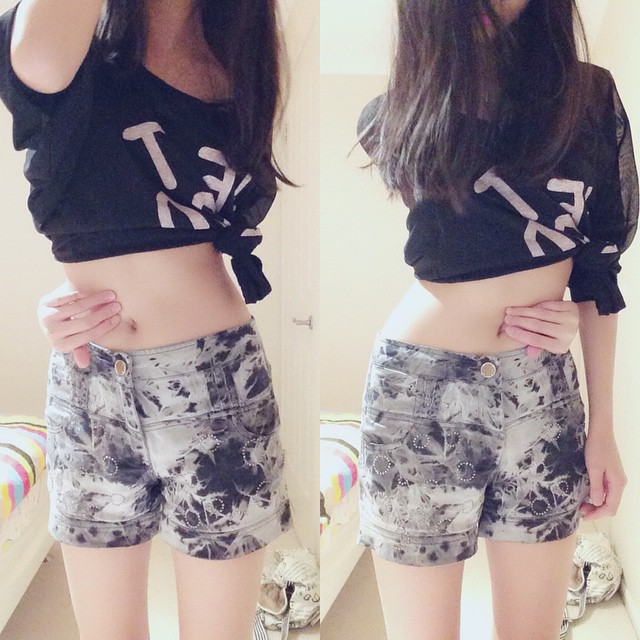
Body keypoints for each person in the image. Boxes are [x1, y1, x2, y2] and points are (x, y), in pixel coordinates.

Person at [0, 1, 292, 639]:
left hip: (218, 382)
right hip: (88, 383)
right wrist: (57, 300)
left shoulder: (235, 57)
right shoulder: (67, 35)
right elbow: (41, 61)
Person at [356, 1, 638, 639]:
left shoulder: (587, 98)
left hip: (542, 391)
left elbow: (598, 272)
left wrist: (603, 429)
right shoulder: (398, 112)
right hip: (418, 392)